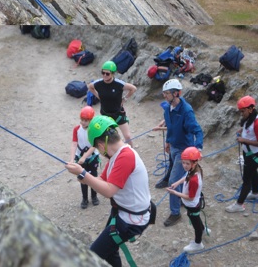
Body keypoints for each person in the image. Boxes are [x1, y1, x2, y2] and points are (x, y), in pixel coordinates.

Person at [64, 115, 152, 267]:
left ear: (102, 145)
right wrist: (84, 177)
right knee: (110, 249)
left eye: (97, 148)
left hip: (131, 219)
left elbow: (109, 191)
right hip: (123, 211)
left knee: (93, 255)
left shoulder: (126, 157)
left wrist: (84, 174)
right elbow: (102, 180)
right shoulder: (116, 156)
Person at [152, 79, 203, 226]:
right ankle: (181, 200)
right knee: (179, 175)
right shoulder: (168, 108)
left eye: (166, 93)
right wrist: (168, 142)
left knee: (174, 180)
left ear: (176, 93)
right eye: (164, 93)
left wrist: (197, 149)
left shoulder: (186, 111)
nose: (164, 96)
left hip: (184, 150)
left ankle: (175, 213)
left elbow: (197, 131)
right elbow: (171, 127)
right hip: (173, 146)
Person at [227, 95, 258, 213]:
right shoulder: (249, 118)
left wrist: (244, 140)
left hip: (254, 154)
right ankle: (255, 193)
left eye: (243, 111)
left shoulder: (257, 123)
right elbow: (248, 129)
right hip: (248, 152)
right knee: (252, 172)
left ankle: (239, 204)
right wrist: (241, 131)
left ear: (250, 109)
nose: (241, 113)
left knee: (246, 179)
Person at [168, 147, 207, 253]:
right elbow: (186, 177)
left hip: (192, 205)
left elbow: (190, 197)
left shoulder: (194, 180)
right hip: (194, 203)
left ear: (194, 163)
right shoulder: (195, 170)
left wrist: (175, 193)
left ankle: (198, 243)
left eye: (187, 163)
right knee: (197, 219)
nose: (184, 166)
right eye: (183, 163)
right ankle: (203, 229)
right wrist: (177, 183)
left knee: (195, 225)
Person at [87, 61, 137, 143]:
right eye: (103, 73)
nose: (104, 75)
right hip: (105, 114)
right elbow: (90, 87)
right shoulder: (99, 83)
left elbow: (133, 88)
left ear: (113, 74)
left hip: (118, 114)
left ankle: (131, 152)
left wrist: (124, 99)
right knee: (109, 138)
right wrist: (98, 96)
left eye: (107, 74)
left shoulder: (118, 84)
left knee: (127, 136)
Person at [73, 106, 103, 209]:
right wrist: (72, 159)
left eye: (86, 120)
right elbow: (74, 144)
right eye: (82, 120)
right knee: (82, 177)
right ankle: (84, 198)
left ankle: (94, 196)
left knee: (93, 177)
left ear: (91, 120)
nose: (83, 122)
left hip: (92, 157)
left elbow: (94, 145)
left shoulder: (94, 130)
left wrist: (85, 156)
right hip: (80, 157)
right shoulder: (77, 129)